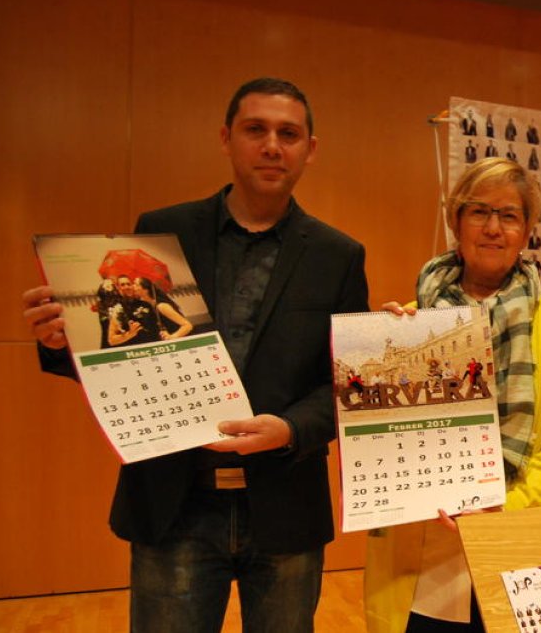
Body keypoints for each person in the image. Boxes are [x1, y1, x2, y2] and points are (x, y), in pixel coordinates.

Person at [21, 77, 369, 632]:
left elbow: (345, 387)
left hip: (285, 502)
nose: (273, 146)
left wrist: (288, 428)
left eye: (289, 133)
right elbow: (126, 352)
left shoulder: (339, 255)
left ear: (311, 149)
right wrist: (61, 343)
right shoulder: (163, 232)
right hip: (175, 501)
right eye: (256, 130)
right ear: (226, 138)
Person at [365, 157, 541, 633]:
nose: (493, 228)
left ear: (527, 229)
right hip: (426, 555)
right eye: (478, 212)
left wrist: (502, 510)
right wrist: (376, 361)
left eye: (509, 215)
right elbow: (378, 441)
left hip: (523, 547)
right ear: (456, 221)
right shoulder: (407, 324)